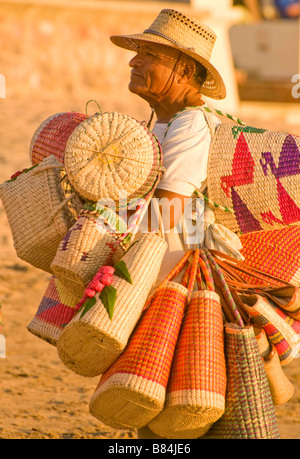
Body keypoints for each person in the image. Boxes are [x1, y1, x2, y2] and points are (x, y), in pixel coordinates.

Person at [110, 8, 227, 439]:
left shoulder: (190, 126)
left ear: (182, 68)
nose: (133, 61)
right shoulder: (163, 123)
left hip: (183, 282)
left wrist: (117, 266)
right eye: (137, 51)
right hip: (167, 274)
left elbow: (166, 215)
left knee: (175, 414)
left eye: (147, 53)